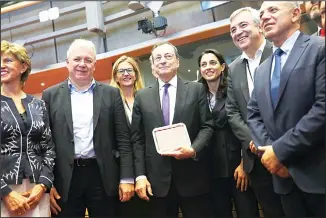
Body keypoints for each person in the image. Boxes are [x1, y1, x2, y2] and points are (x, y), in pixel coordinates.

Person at [247, 1, 325, 217]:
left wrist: (280, 152)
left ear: (295, 14)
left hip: (318, 174)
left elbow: (322, 109)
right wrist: (271, 153)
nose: (264, 17)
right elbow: (253, 115)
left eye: (272, 10)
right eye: (261, 14)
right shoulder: (262, 70)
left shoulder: (319, 48)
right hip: (282, 179)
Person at [42, 39, 134, 217]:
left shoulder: (111, 94)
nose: (82, 64)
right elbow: (46, 142)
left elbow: (124, 140)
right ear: (67, 63)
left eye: (88, 60)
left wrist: (127, 178)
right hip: (64, 179)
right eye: (77, 59)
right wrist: (48, 184)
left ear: (94, 65)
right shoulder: (50, 95)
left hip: (103, 176)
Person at [131, 42, 214, 217]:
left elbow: (207, 126)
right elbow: (137, 139)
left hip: (192, 177)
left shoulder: (196, 89)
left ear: (177, 61)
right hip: (157, 182)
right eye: (158, 58)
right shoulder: (142, 96)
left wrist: (193, 150)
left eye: (168, 56)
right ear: (152, 65)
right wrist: (140, 175)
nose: (163, 61)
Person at [225, 7, 284, 217]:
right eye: (233, 30)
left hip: (285, 152)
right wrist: (255, 140)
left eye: (243, 25)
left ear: (259, 26)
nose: (238, 32)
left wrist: (271, 142)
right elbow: (232, 112)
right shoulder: (233, 68)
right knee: (271, 211)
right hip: (256, 159)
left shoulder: (278, 51)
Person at [197, 49, 259, 218]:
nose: (208, 67)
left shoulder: (234, 91)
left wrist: (244, 164)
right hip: (211, 172)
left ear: (222, 66)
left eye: (212, 63)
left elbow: (244, 127)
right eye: (203, 64)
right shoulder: (196, 95)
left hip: (237, 168)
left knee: (248, 212)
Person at [1, 40, 55, 217]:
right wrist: (5, 193)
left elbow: (49, 148)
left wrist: (43, 185)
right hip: (5, 191)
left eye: (7, 60)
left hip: (36, 191)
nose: (2, 65)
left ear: (23, 67)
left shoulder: (38, 105)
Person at [110, 55, 148, 217]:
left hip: (146, 169)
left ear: (136, 74)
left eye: (129, 70)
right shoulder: (109, 102)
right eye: (121, 71)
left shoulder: (146, 98)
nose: (126, 74)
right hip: (119, 171)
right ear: (116, 76)